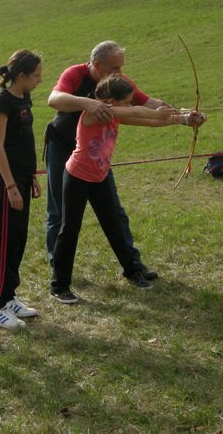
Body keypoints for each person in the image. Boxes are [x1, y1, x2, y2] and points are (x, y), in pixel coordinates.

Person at [50, 74, 205, 303]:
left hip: (100, 176)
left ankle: (133, 271)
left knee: (114, 225)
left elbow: (148, 120)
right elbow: (139, 113)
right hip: (77, 177)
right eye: (126, 102)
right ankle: (59, 286)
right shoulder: (94, 113)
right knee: (70, 229)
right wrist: (156, 112)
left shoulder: (115, 114)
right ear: (110, 101)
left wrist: (184, 119)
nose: (130, 106)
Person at [45, 41, 171, 281]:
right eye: (114, 68)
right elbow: (54, 99)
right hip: (63, 148)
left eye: (121, 67)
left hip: (96, 159)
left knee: (114, 213)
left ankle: (134, 266)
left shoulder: (117, 82)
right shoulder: (75, 74)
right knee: (59, 214)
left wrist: (183, 115)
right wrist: (88, 103)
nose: (120, 73)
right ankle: (58, 267)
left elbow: (146, 104)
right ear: (96, 64)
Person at [0, 50, 43, 330]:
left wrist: (31, 176)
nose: (40, 80)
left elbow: (24, 139)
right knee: (7, 240)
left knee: (19, 239)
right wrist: (10, 186)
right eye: (36, 75)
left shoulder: (25, 97)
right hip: (8, 181)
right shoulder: (3, 101)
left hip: (22, 178)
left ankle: (9, 297)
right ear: (21, 76)